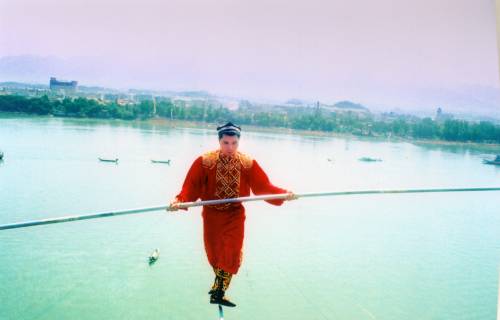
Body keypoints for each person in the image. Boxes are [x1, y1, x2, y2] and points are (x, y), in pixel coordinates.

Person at [167, 122, 296, 307]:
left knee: (231, 253)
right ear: (219, 141)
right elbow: (190, 186)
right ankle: (217, 289)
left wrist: (284, 194)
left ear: (239, 142)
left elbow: (263, 187)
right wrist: (179, 200)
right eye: (226, 143)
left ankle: (218, 292)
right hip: (212, 216)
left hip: (235, 215)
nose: (230, 147)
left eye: (234, 143)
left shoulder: (247, 163)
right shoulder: (205, 161)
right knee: (215, 255)